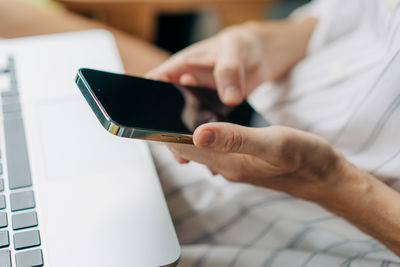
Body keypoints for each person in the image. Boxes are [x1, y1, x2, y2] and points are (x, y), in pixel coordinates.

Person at [146, 0, 400, 265]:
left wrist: (333, 183)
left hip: (321, 228)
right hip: (254, 104)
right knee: (101, 43)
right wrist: (259, 40)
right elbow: (346, 17)